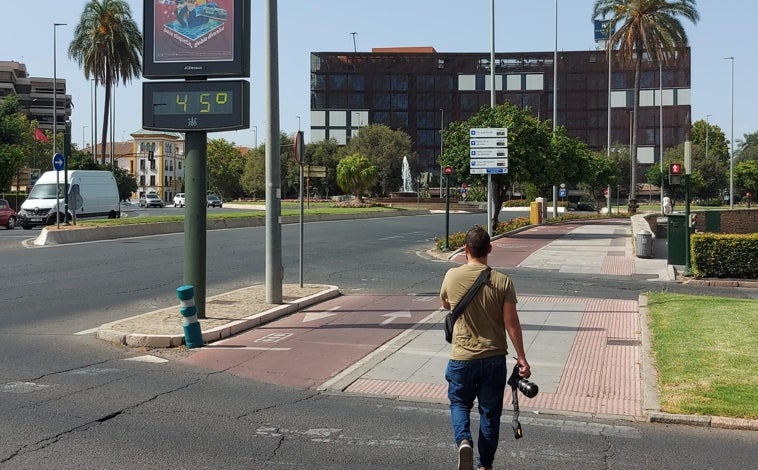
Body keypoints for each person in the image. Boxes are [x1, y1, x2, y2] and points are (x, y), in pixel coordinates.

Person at [440, 226, 531, 470]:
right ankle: (485, 465)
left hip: (462, 357)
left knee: (459, 403)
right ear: (489, 249)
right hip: (494, 359)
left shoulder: (451, 276)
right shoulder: (503, 281)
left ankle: (463, 441)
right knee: (490, 413)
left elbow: (446, 303)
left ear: (466, 249)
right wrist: (521, 357)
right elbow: (511, 322)